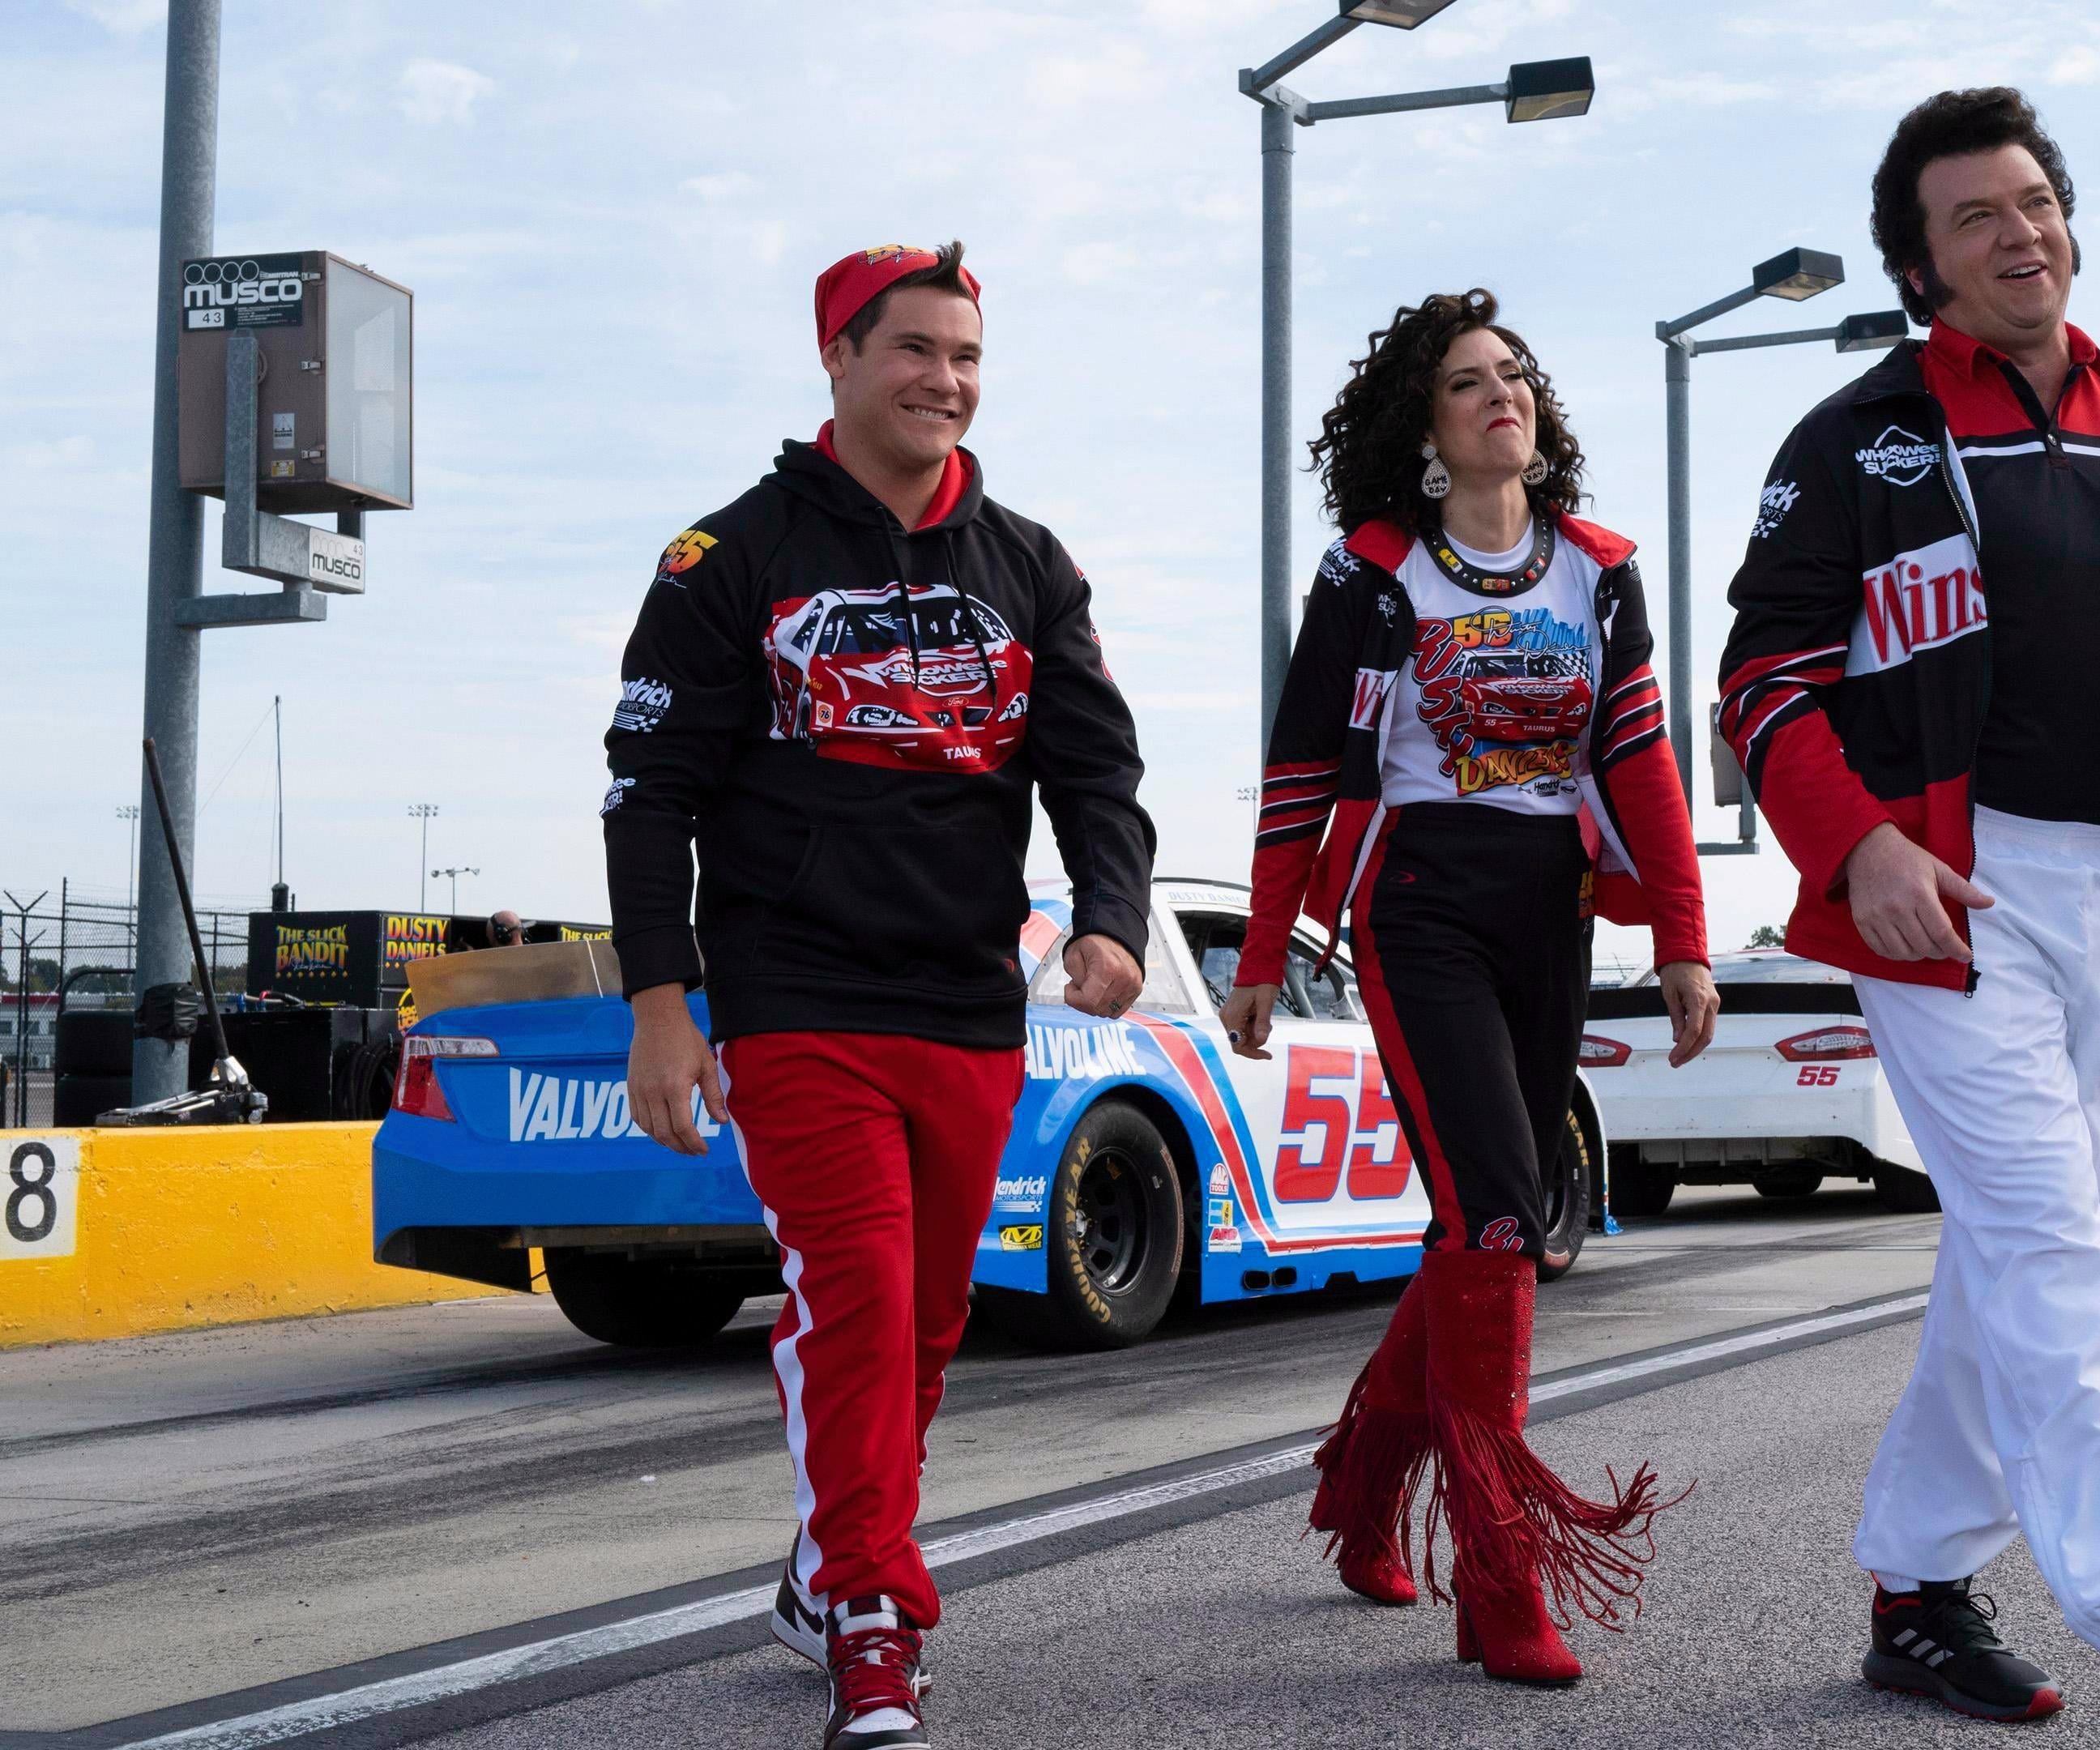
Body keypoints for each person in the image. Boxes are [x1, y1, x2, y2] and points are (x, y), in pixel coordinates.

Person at [1718, 90, 2100, 1746]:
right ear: (1919, 267)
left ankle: (1917, 1590)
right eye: (1975, 218)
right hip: (1944, 883)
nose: (2019, 236)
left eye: (2035, 203)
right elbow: (1763, 677)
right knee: (2054, 1246)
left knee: (2017, 1252)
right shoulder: (1855, 441)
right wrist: (1856, 847)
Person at [604, 241, 1155, 1750]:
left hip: (968, 998)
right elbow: (650, 792)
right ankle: (870, 1616)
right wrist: (663, 1002)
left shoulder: (1030, 563)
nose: (945, 381)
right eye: (914, 349)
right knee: (853, 1295)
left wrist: (1112, 918)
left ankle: (823, 1566)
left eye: (966, 357)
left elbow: (1095, 768)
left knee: (920, 1323)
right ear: (839, 358)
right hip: (795, 993)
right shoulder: (728, 556)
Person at [1221, 289, 1720, 1688]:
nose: (1502, 394)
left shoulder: (1598, 573)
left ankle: (1365, 1482)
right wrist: (1261, 953)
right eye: (1465, 382)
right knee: (1500, 1213)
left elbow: (1641, 762)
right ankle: (1501, 1577)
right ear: (1424, 432)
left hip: (1552, 908)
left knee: (1477, 1224)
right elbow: (1299, 768)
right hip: (1420, 902)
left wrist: (1684, 938)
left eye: (1514, 374)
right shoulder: (1374, 577)